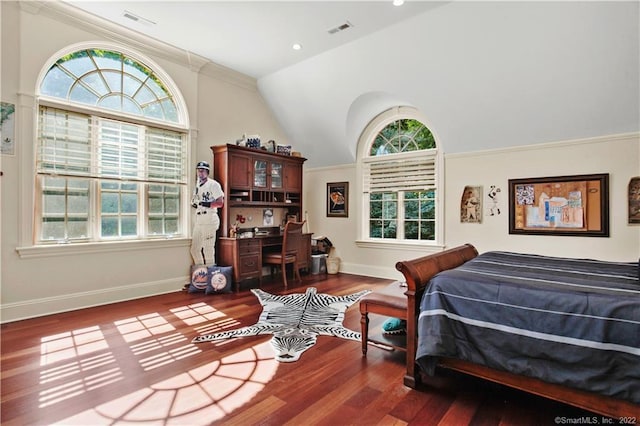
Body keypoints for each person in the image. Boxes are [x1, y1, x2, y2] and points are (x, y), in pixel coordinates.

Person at [190, 161, 224, 265]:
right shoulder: (197, 185)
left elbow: (220, 203)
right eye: (198, 170)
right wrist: (195, 203)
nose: (200, 173)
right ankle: (202, 275)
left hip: (209, 218)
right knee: (195, 250)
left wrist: (204, 203)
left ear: (207, 172)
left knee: (208, 250)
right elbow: (196, 200)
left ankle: (210, 278)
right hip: (199, 219)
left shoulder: (213, 184)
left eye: (202, 170)